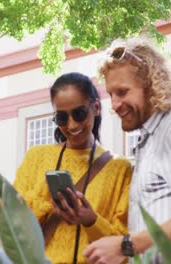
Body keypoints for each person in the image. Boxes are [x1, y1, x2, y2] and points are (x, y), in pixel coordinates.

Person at [83, 38, 171, 263]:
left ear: (151, 86)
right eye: (111, 94)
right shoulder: (150, 140)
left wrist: (125, 246)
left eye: (122, 92)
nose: (115, 104)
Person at [14, 72, 132, 263]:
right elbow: (13, 225)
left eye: (79, 114)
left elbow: (124, 248)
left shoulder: (120, 169)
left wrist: (91, 220)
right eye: (61, 117)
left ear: (95, 108)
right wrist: (47, 204)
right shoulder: (36, 157)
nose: (71, 125)